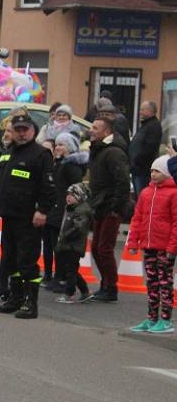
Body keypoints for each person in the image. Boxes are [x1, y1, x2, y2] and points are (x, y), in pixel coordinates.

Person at [0, 115, 56, 318]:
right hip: (9, 215)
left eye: (25, 129)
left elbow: (49, 187)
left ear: (33, 131)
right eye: (17, 129)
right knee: (10, 260)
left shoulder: (40, 155)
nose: (21, 133)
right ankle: (15, 298)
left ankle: (30, 303)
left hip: (29, 218)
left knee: (27, 261)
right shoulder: (8, 152)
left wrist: (42, 211)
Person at [125, 156, 177, 333]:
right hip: (148, 246)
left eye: (157, 171)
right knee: (152, 283)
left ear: (167, 173)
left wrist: (172, 247)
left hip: (164, 247)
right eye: (152, 171)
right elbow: (137, 218)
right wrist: (133, 242)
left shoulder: (173, 194)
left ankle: (165, 320)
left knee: (165, 282)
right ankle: (151, 318)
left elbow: (176, 223)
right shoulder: (146, 193)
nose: (153, 174)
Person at [85, 117, 130, 302]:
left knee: (104, 248)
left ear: (106, 132)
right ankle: (105, 283)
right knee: (96, 248)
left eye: (95, 128)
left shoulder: (114, 153)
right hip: (99, 206)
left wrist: (115, 207)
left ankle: (111, 288)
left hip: (110, 207)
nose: (91, 130)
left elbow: (122, 182)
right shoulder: (97, 150)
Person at [43, 133, 88, 291]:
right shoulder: (58, 164)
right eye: (56, 145)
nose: (57, 148)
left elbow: (75, 189)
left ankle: (61, 277)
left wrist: (70, 208)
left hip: (63, 211)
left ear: (70, 148)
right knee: (49, 244)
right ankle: (49, 275)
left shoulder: (71, 166)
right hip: (52, 208)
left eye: (61, 145)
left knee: (60, 246)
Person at [55, 183, 93, 304]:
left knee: (71, 271)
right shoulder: (70, 208)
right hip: (67, 244)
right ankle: (85, 291)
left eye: (72, 195)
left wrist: (65, 236)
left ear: (80, 197)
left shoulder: (81, 210)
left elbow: (78, 228)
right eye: (68, 194)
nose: (68, 197)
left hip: (73, 246)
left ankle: (69, 293)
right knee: (71, 270)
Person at [129, 101, 163, 197]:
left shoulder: (154, 126)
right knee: (138, 196)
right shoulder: (146, 125)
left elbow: (149, 149)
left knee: (142, 196)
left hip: (143, 171)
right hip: (138, 170)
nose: (140, 112)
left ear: (150, 111)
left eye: (142, 109)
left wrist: (136, 162)